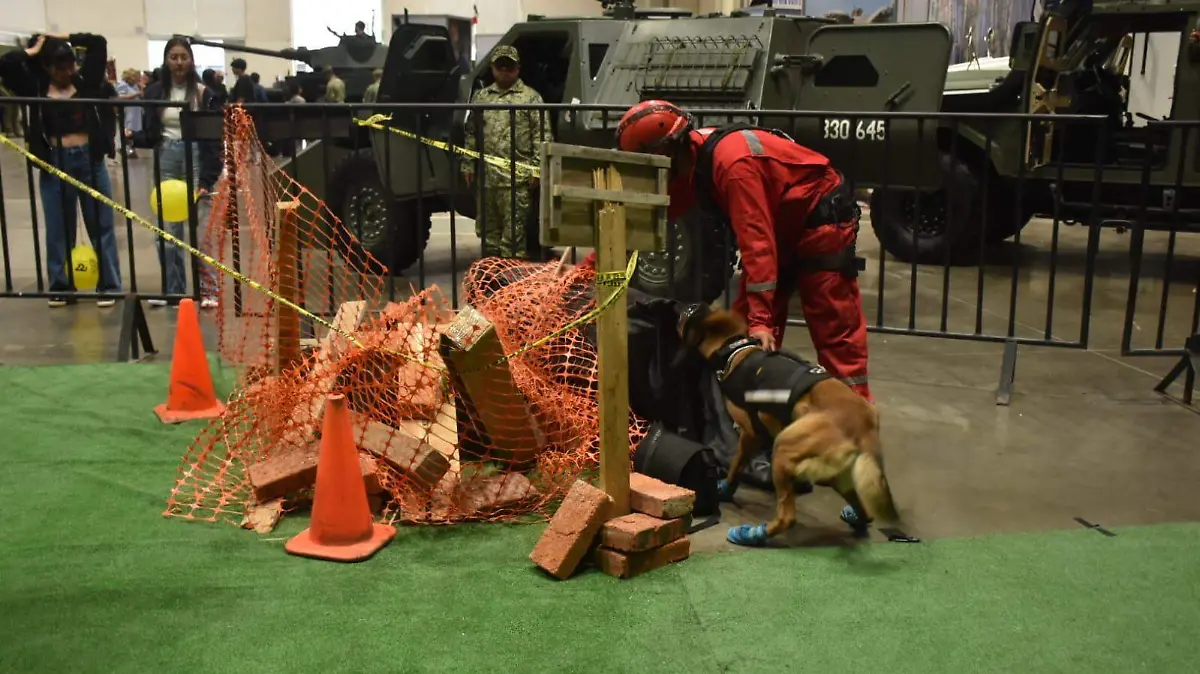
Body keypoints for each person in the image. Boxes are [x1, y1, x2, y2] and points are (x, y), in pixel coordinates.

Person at [602, 100, 873, 401]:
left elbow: (757, 243)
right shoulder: (691, 163)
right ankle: (756, 411)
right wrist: (591, 265)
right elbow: (648, 218)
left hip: (820, 220)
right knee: (742, 333)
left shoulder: (732, 166)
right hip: (784, 221)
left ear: (665, 154)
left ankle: (856, 418)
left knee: (834, 331)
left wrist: (762, 321)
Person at [0, 33, 123, 308]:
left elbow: (99, 43)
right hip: (54, 162)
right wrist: (33, 50)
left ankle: (109, 285)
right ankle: (60, 286)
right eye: (59, 67)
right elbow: (6, 64)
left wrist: (61, 36)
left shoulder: (85, 82)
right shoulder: (35, 85)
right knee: (58, 229)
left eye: (70, 65)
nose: (67, 72)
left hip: (90, 161)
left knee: (101, 225)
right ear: (46, 67)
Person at [128, 37, 222, 309]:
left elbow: (214, 138)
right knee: (167, 230)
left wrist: (207, 178)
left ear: (191, 60)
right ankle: (174, 291)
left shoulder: (204, 93)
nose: (179, 62)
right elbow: (149, 131)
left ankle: (209, 291)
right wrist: (133, 136)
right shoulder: (155, 92)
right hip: (166, 156)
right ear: (166, 60)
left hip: (196, 157)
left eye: (183, 57)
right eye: (174, 57)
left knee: (202, 228)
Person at [462, 45, 552, 259]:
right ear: (492, 68)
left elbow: (542, 135)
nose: (504, 70)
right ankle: (492, 282)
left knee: (513, 238)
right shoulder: (482, 97)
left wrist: (537, 169)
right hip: (487, 179)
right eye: (500, 66)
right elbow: (471, 133)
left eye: (509, 66)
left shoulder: (531, 98)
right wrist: (468, 163)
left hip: (517, 180)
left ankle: (511, 286)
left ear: (518, 69)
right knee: (488, 236)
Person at [113, 68, 142, 157]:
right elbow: (120, 97)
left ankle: (129, 148)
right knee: (127, 131)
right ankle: (123, 148)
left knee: (132, 131)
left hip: (135, 112)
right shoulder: (122, 85)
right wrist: (137, 94)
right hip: (128, 111)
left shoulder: (134, 86)